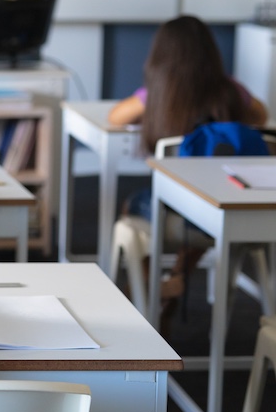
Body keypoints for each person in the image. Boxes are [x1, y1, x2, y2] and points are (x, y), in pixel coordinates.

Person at [108, 15, 269, 306]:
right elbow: (261, 116)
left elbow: (115, 117)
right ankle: (177, 274)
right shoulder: (231, 91)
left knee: (131, 206)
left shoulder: (156, 94)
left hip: (172, 211)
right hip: (221, 207)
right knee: (200, 212)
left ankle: (149, 281)